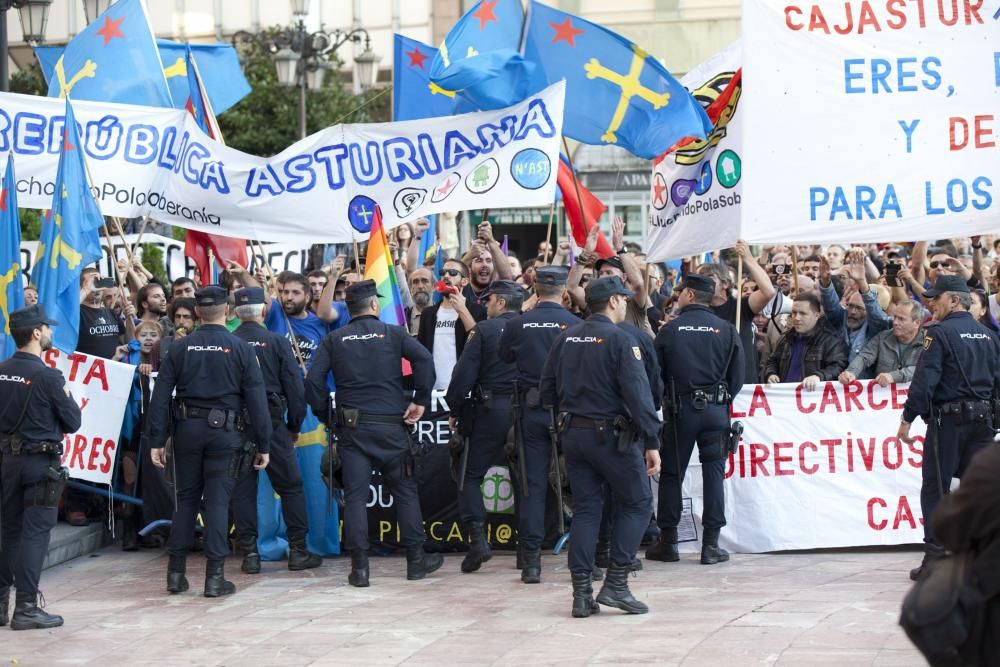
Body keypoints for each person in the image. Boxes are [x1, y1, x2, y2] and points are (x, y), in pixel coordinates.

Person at [305, 280, 442, 587]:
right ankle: (416, 562)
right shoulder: (393, 334)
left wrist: (327, 417)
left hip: (353, 431)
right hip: (392, 427)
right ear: (375, 305)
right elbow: (423, 359)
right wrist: (420, 400)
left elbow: (313, 382)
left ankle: (360, 569)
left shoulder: (335, 339)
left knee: (355, 497)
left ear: (348, 308)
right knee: (405, 492)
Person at [540, 276, 662, 618]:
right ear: (612, 302)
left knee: (587, 510)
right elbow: (640, 397)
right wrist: (652, 440)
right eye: (622, 299)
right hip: (612, 437)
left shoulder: (564, 338)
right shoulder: (621, 340)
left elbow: (546, 391)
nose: (625, 304)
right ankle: (617, 584)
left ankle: (581, 595)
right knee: (638, 502)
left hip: (574, 435)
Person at [148, 286, 273, 598]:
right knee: (218, 502)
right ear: (227, 312)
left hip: (187, 430)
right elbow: (257, 400)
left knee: (186, 500)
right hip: (226, 434)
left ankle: (175, 575)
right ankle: (214, 577)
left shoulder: (180, 347)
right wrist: (264, 443)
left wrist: (156, 439)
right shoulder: (241, 348)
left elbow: (160, 395)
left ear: (199, 313)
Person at [896, 275, 1000, 581]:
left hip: (948, 424)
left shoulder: (938, 333)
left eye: (936, 298)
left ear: (954, 300)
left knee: (936, 489)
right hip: (982, 423)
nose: (931, 303)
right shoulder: (988, 335)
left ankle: (937, 559)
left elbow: (925, 380)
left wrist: (907, 419)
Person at [647, 274, 744, 565]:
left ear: (689, 294)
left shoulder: (670, 330)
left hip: (681, 411)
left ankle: (669, 543)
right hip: (716, 412)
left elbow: (656, 377)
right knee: (714, 474)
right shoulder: (726, 329)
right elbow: (737, 378)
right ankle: (711, 546)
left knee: (672, 475)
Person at [230, 288, 322, 575]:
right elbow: (296, 390)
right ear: (264, 309)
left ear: (236, 313)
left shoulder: (229, 343)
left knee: (243, 491)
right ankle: (298, 550)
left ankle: (250, 554)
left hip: (238, 426)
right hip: (273, 425)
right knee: (291, 487)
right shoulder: (277, 342)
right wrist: (294, 425)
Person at [0, 305, 81, 630]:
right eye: (46, 328)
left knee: (8, 532)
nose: (50, 332)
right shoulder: (49, 376)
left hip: (7, 461)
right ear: (35, 333)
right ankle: (27, 607)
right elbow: (73, 421)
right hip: (40, 464)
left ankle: (1, 603)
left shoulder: (2, 370)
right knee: (34, 534)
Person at [497, 267, 578, 583]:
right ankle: (591, 554)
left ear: (535, 287)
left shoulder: (518, 323)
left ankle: (531, 561)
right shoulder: (575, 324)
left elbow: (504, 357)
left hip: (531, 411)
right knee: (582, 483)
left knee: (532, 485)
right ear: (564, 291)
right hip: (569, 412)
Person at [445, 280, 521, 574]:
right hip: (525, 411)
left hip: (489, 412)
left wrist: (455, 408)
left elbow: (463, 376)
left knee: (470, 474)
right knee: (526, 480)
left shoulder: (484, 331)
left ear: (501, 303)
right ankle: (528, 554)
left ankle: (478, 541)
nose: (485, 305)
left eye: (489, 301)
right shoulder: (530, 327)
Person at [417, 259, 486, 390]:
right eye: (443, 272)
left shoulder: (477, 310)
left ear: (464, 281)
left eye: (453, 273)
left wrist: (461, 309)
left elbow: (478, 341)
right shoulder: (428, 314)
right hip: (433, 390)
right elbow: (422, 351)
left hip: (463, 389)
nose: (446, 276)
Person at [765, 292, 849, 390]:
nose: (796, 318)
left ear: (817, 315)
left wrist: (818, 376)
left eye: (803, 313)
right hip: (785, 399)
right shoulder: (785, 338)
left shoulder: (832, 340)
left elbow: (839, 366)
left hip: (812, 399)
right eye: (794, 312)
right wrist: (771, 374)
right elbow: (772, 361)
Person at [838, 300, 926, 387]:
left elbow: (923, 368)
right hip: (883, 398)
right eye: (895, 317)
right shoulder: (883, 337)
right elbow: (864, 357)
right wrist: (851, 372)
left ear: (917, 323)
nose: (895, 322)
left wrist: (893, 376)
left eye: (901, 319)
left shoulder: (927, 343)